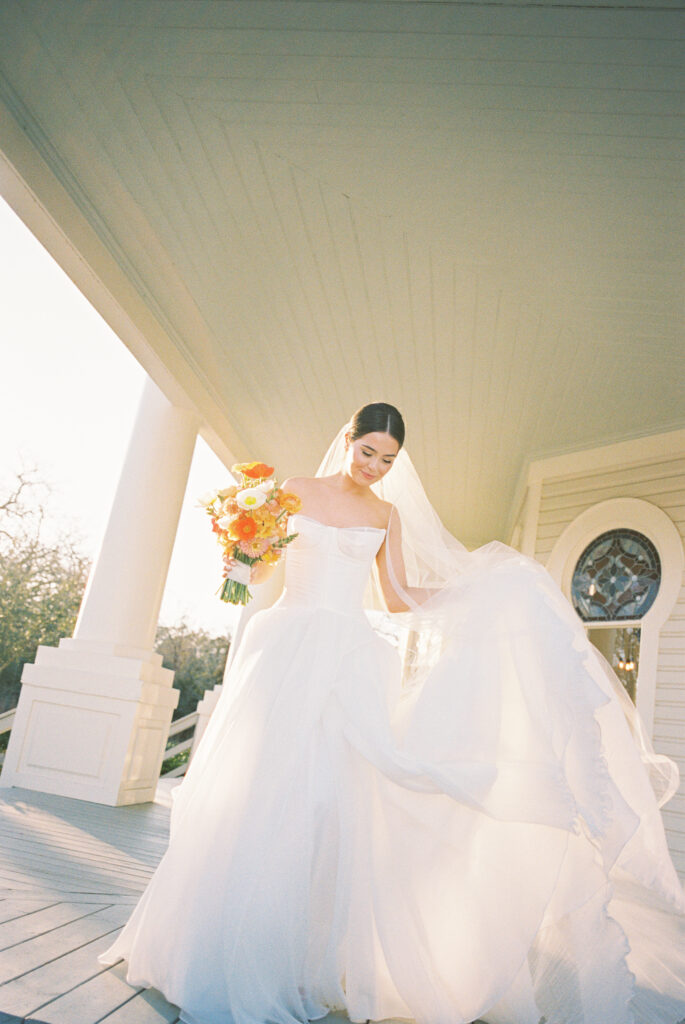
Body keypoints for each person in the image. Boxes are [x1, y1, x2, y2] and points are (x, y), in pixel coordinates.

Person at [100, 402, 685, 1024]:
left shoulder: (385, 515)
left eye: (388, 459)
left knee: (332, 801)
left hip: (350, 662)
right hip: (288, 650)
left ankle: (304, 957)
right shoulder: (291, 491)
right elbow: (267, 569)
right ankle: (213, 948)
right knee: (258, 792)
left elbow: (400, 598)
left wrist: (487, 596)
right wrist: (242, 557)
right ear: (347, 440)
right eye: (368, 451)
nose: (375, 466)